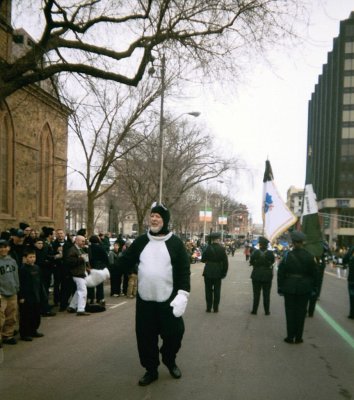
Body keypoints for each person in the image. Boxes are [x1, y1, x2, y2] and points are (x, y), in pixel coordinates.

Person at [118, 203, 190, 386]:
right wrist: (102, 273)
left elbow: (183, 270)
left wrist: (183, 294)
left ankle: (169, 359)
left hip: (169, 300)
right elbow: (125, 262)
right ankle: (151, 369)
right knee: (145, 337)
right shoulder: (141, 241)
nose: (154, 218)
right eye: (152, 215)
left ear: (165, 220)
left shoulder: (175, 243)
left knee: (175, 334)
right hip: (145, 300)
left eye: (158, 216)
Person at [277, 231, 318, 344]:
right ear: (302, 243)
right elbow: (315, 274)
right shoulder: (310, 256)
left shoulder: (286, 256)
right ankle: (299, 337)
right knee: (301, 313)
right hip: (304, 288)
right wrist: (314, 288)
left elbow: (281, 273)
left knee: (290, 313)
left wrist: (280, 287)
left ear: (293, 243)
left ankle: (290, 337)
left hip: (289, 287)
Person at [18, 248, 46, 341]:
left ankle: (34, 331)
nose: (32, 259)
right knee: (26, 315)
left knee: (36, 314)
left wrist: (42, 294)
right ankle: (25, 334)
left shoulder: (37, 268)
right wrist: (21, 297)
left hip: (36, 294)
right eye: (30, 257)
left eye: (34, 257)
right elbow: (20, 284)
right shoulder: (22, 269)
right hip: (27, 296)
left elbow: (40, 282)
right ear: (25, 258)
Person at [201, 232, 228, 313]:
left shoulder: (207, 248)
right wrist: (224, 273)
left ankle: (208, 308)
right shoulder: (222, 249)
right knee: (217, 290)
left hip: (208, 271)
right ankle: (216, 308)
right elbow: (226, 263)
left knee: (208, 290)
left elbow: (203, 260)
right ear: (218, 239)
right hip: (218, 271)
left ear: (212, 240)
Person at [0, 239, 20, 345]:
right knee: (0, 316)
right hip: (1, 293)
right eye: (1, 247)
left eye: (5, 247)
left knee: (11, 316)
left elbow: (15, 275)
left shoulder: (12, 260)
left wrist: (17, 287)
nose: (3, 249)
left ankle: (7, 335)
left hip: (12, 292)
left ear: (9, 248)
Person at [66, 235, 91, 316]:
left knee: (79, 291)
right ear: (77, 241)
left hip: (82, 273)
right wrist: (81, 259)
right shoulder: (72, 250)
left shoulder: (81, 249)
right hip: (77, 274)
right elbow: (70, 262)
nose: (84, 242)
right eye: (82, 241)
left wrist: (87, 268)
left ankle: (72, 306)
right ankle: (80, 309)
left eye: (84, 241)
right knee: (83, 291)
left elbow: (85, 261)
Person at [249, 236, 275, 315]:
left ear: (260, 244)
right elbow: (273, 261)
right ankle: (267, 311)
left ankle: (254, 310)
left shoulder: (255, 252)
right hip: (267, 275)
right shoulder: (270, 253)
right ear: (267, 245)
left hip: (256, 274)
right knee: (266, 294)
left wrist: (256, 265)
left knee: (256, 294)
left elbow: (251, 261)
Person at [87, 235, 109, 306]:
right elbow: (105, 258)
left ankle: (90, 298)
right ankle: (100, 299)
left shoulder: (88, 248)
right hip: (99, 267)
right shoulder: (100, 248)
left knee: (91, 283)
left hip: (90, 267)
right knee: (99, 284)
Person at [343, 245, 354, 319]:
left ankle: (352, 313)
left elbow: (345, 259)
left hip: (352, 277)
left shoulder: (352, 248)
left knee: (352, 295)